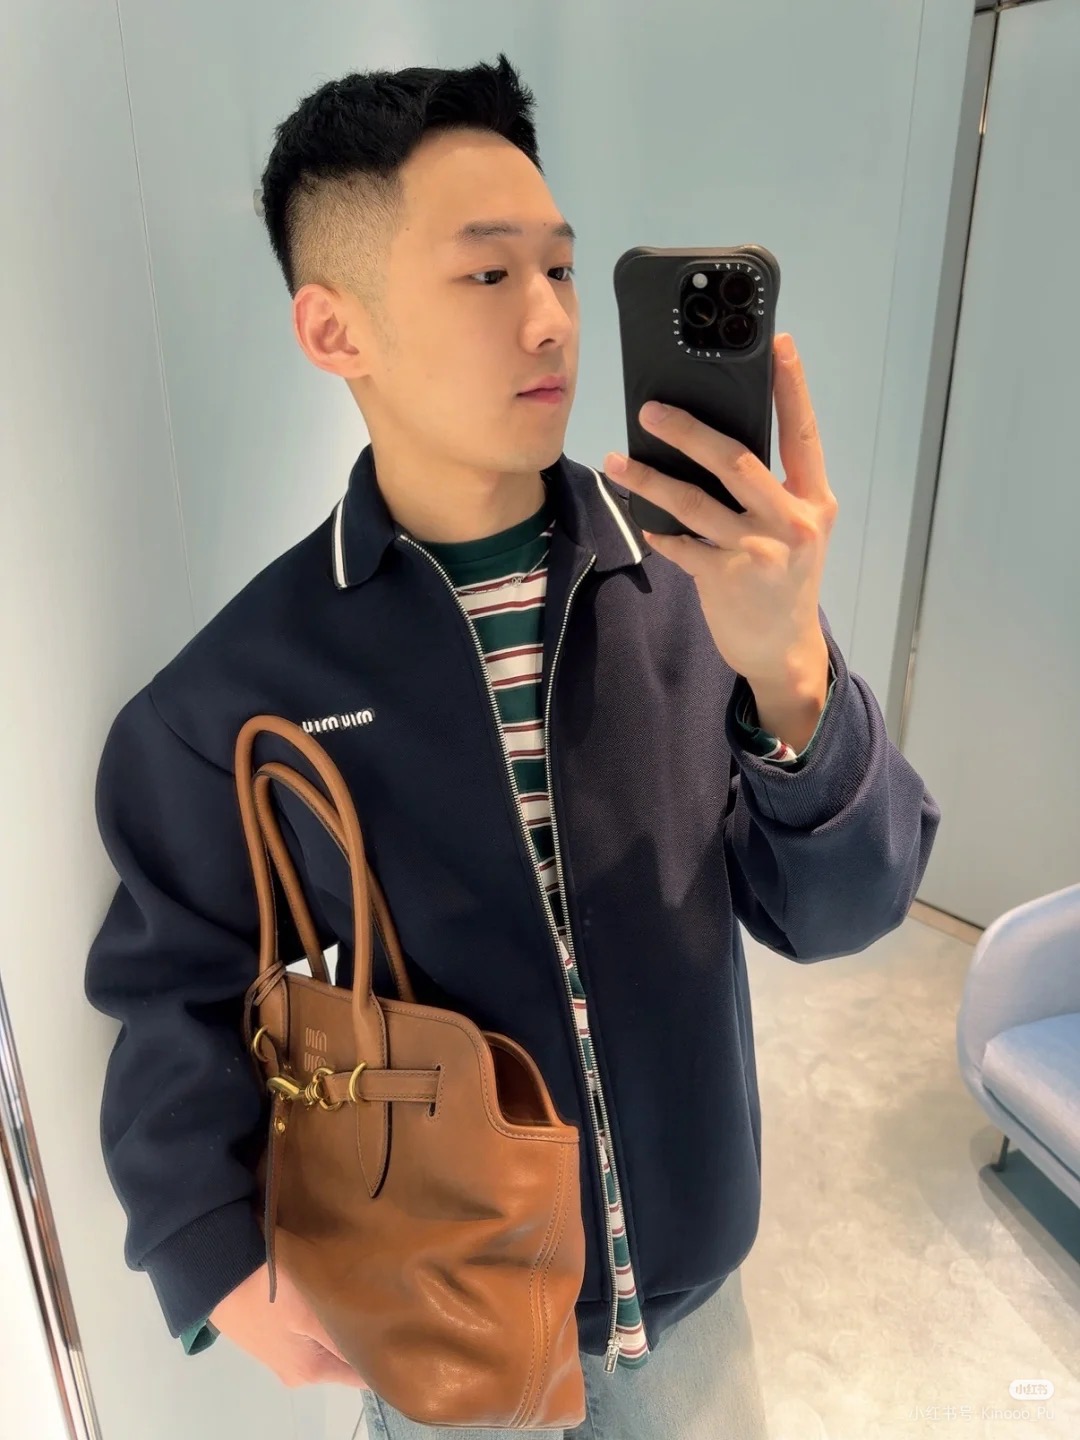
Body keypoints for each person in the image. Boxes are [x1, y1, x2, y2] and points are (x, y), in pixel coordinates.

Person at [85, 53, 940, 1439]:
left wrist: (792, 670)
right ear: (335, 329)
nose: (550, 320)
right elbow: (172, 985)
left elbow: (845, 913)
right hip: (443, 1322)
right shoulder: (241, 692)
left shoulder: (693, 591)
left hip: (696, 1308)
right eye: (488, 274)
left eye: (561, 269)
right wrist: (207, 1249)